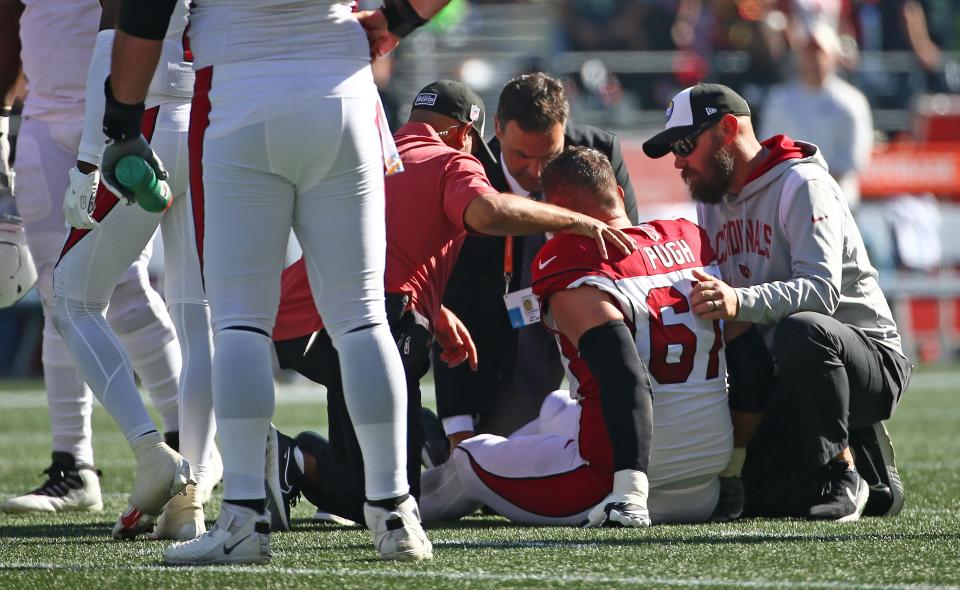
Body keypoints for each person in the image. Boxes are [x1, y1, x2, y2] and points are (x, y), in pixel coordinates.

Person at [99, 0, 465, 565]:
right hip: (342, 88)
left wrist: (120, 120)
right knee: (363, 317)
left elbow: (145, 12)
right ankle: (396, 514)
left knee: (241, 321)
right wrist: (397, 19)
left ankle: (244, 518)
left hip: (239, 88)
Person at [269, 81, 636, 528]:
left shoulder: (372, 153)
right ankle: (293, 458)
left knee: (368, 469)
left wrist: (436, 311)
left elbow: (382, 242)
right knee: (394, 495)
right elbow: (487, 213)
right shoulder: (453, 160)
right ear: (464, 133)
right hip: (375, 317)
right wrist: (576, 222)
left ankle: (300, 456)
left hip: (302, 315)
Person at [418, 147, 732, 526]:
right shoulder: (689, 238)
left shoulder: (573, 257)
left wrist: (628, 491)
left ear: (555, 212)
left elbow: (624, 377)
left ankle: (388, 504)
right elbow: (744, 352)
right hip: (706, 484)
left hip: (617, 483)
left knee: (470, 457)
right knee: (555, 405)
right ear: (617, 190)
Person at [642, 83, 912, 521]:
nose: (678, 160)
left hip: (864, 360)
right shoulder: (714, 202)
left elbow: (821, 291)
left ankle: (840, 471)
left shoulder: (801, 184)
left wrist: (736, 301)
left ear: (728, 129)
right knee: (754, 499)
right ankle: (871, 468)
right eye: (674, 147)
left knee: (801, 329)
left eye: (686, 144)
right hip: (784, 371)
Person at [0, 0, 183, 517]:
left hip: (112, 111)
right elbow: (14, 14)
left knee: (123, 287)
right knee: (60, 295)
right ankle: (72, 466)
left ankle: (184, 439)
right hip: (41, 115)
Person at [51, 0, 221, 541]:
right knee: (196, 308)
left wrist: (86, 153)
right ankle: (193, 490)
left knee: (74, 298)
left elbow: (122, 17)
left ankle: (154, 453)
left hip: (147, 109)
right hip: (216, 110)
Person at [436, 72, 640, 449]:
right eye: (521, 156)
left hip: (590, 329)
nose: (535, 172)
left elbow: (628, 258)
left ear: (565, 129)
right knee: (480, 455)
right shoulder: (467, 174)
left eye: (549, 156)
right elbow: (451, 301)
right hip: (498, 351)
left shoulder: (597, 154)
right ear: (496, 128)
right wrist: (458, 427)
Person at [761, 21, 873, 209]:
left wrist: (813, 186)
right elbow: (767, 150)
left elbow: (854, 158)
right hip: (790, 204)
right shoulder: (779, 100)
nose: (812, 59)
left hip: (838, 202)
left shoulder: (851, 102)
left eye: (819, 52)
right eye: (807, 52)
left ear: (834, 57)